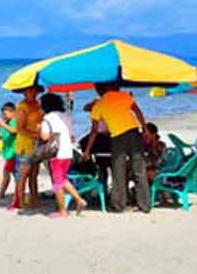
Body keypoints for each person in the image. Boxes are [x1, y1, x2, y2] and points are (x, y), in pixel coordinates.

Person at [82, 82, 151, 213]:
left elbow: (94, 131)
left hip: (118, 138)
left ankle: (118, 205)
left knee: (118, 172)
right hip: (134, 134)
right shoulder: (124, 96)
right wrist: (145, 129)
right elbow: (138, 112)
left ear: (99, 90)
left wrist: (87, 150)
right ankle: (145, 205)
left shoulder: (99, 104)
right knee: (139, 170)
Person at [39, 93, 86, 218]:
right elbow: (71, 135)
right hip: (68, 152)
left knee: (57, 183)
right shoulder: (66, 116)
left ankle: (62, 211)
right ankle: (79, 200)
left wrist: (39, 128)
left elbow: (45, 136)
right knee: (62, 179)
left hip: (56, 153)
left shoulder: (47, 118)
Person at [11, 85, 43, 211]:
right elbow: (20, 128)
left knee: (34, 174)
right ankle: (21, 202)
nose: (33, 92)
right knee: (23, 175)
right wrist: (36, 135)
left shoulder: (37, 104)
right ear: (24, 92)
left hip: (37, 144)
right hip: (25, 144)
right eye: (30, 90)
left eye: (34, 90)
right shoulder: (22, 107)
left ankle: (35, 199)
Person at [0, 102, 18, 199]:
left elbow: (14, 131)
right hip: (8, 153)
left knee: (15, 176)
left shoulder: (15, 121)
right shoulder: (6, 123)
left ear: (13, 113)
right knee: (7, 174)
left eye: (5, 114)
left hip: (14, 153)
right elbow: (0, 136)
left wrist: (3, 124)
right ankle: (2, 193)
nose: (3, 116)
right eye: (2, 114)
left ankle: (15, 194)